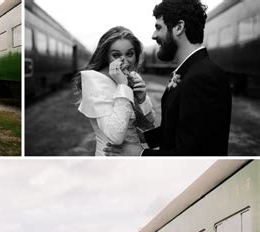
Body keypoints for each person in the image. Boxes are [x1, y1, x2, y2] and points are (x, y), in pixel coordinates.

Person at [107, 0, 232, 156]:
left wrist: (140, 154)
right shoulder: (192, 71)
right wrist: (145, 137)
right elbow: (185, 128)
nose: (153, 35)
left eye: (158, 27)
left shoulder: (202, 77)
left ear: (179, 28)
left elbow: (193, 153)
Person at [75, 26, 156, 156]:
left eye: (129, 54)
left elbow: (149, 125)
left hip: (136, 158)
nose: (124, 60)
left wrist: (141, 100)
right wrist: (123, 86)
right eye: (116, 55)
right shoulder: (95, 80)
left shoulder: (133, 76)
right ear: (105, 56)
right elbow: (115, 136)